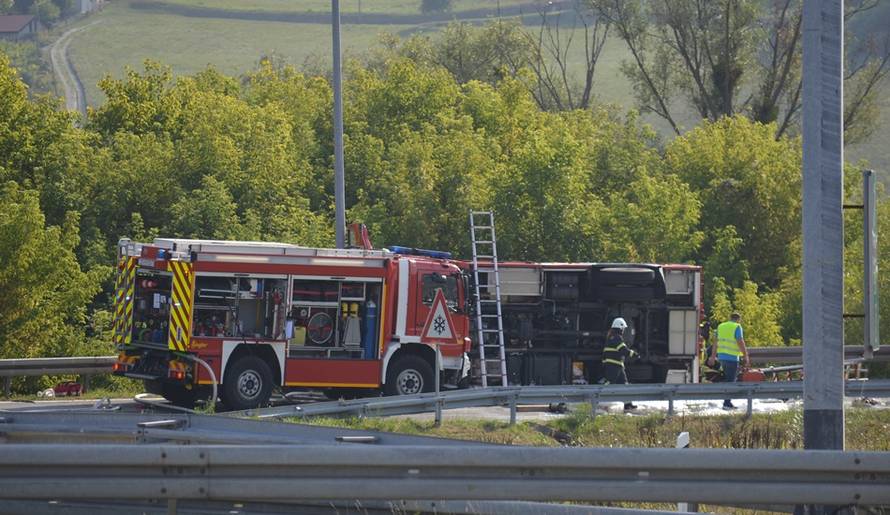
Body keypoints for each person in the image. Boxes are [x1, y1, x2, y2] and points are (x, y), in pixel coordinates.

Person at [708, 312, 750, 409]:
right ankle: (727, 403)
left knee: (727, 379)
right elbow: (740, 341)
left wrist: (713, 357)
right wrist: (746, 356)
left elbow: (715, 343)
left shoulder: (720, 326)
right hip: (732, 358)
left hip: (722, 357)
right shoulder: (737, 327)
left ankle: (726, 400)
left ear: (729, 318)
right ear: (738, 319)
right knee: (731, 381)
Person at [601, 317, 639, 411]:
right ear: (620, 328)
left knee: (624, 385)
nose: (624, 330)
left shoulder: (610, 337)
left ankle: (628, 404)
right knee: (609, 384)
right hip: (614, 366)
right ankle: (596, 400)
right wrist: (633, 354)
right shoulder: (617, 338)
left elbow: (605, 353)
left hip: (617, 366)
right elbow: (623, 350)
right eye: (623, 329)